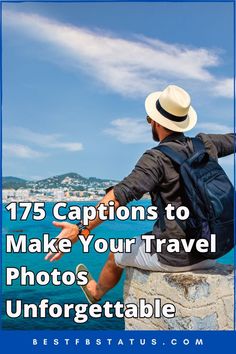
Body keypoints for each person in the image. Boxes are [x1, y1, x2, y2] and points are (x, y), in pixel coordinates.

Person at [45, 85, 234, 303]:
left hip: (174, 257)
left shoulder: (156, 158)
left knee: (116, 254)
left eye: (149, 119)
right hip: (213, 251)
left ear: (156, 122)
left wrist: (79, 230)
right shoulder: (206, 144)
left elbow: (117, 197)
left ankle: (96, 293)